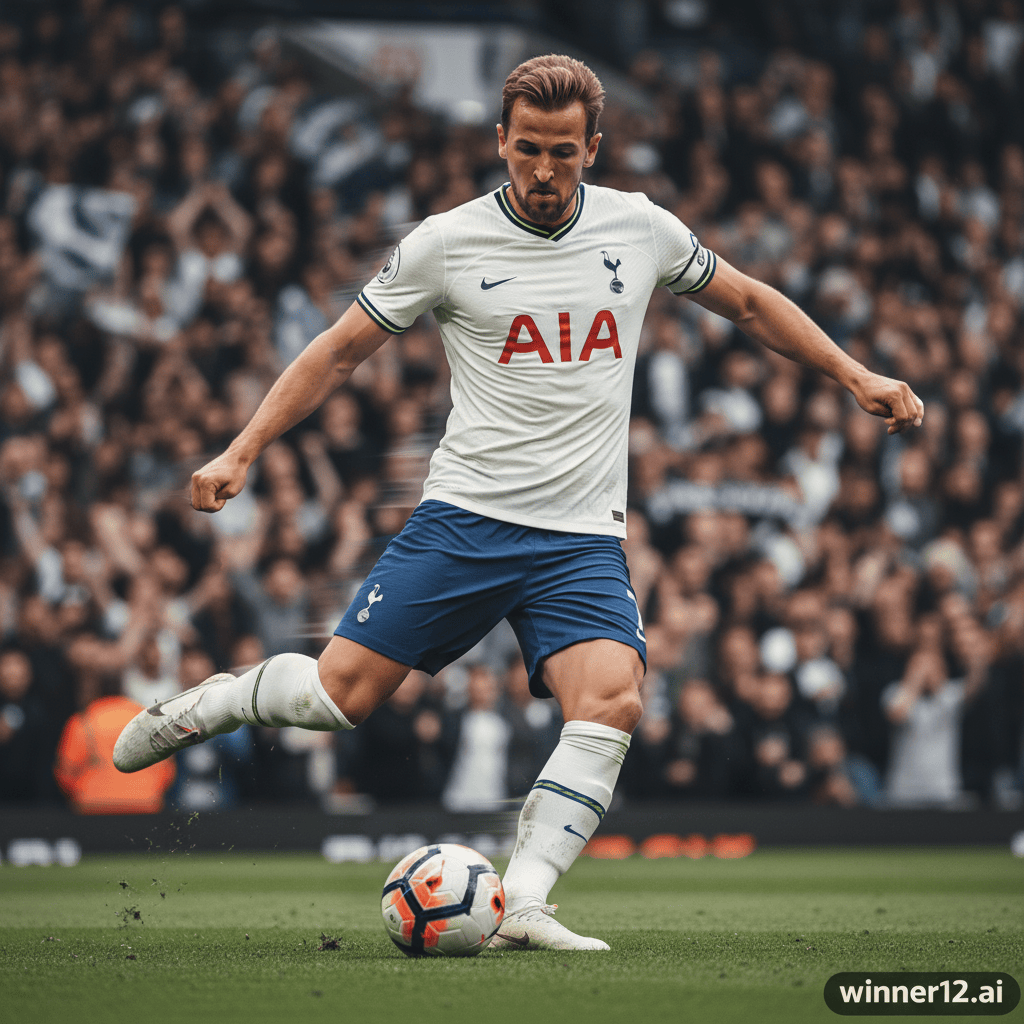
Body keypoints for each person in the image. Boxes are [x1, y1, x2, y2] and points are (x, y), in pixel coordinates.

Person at [114, 54, 924, 950]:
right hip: (467, 519)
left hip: (580, 537)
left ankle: (524, 900)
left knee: (612, 702)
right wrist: (242, 450)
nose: (543, 170)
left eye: (563, 153)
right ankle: (223, 702)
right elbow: (338, 350)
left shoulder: (639, 227)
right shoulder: (447, 243)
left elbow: (750, 303)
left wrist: (854, 373)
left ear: (592, 149)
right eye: (528, 149)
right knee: (337, 701)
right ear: (500, 140)